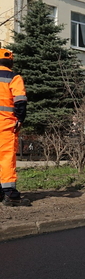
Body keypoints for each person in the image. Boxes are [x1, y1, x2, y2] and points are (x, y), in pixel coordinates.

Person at [0, 48, 30, 207]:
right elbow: (20, 101)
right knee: (6, 158)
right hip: (6, 124)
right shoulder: (14, 77)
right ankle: (11, 194)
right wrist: (20, 119)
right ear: (11, 62)